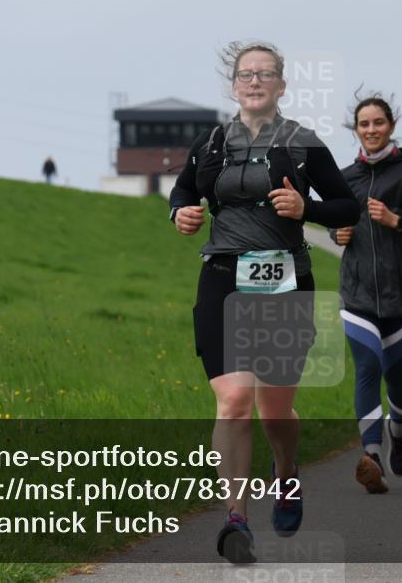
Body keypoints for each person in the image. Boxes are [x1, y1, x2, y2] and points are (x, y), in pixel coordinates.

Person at [169, 42, 359, 564]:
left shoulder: (303, 143)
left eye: (266, 74)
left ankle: (286, 473)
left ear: (281, 86)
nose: (255, 81)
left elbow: (348, 207)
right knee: (233, 399)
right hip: (222, 278)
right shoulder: (210, 143)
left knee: (274, 411)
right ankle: (235, 519)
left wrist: (306, 208)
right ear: (234, 85)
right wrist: (181, 212)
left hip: (283, 282)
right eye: (246, 74)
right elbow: (182, 191)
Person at [330, 93, 402, 494]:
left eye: (378, 122)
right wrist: (337, 233)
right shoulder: (344, 178)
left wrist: (397, 221)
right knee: (367, 368)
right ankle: (372, 457)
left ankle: (398, 430)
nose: (371, 129)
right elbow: (333, 221)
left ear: (391, 127)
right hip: (357, 294)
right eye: (364, 124)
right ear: (356, 130)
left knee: (396, 378)